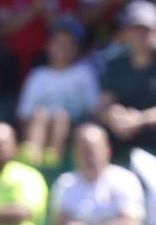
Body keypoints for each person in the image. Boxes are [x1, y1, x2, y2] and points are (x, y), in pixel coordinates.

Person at [96, 0, 156, 161]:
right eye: (136, 30)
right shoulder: (113, 60)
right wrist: (112, 116)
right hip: (123, 127)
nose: (141, 36)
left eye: (147, 30)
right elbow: (103, 104)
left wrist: (142, 119)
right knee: (93, 132)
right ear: (125, 32)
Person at [16, 17, 96, 170]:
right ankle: (32, 155)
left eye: (68, 45)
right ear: (48, 46)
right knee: (40, 114)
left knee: (60, 117)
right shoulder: (37, 75)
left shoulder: (84, 73)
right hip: (39, 124)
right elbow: (24, 113)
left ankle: (54, 160)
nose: (62, 48)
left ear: (76, 48)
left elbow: (92, 107)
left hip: (72, 127)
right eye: (57, 43)